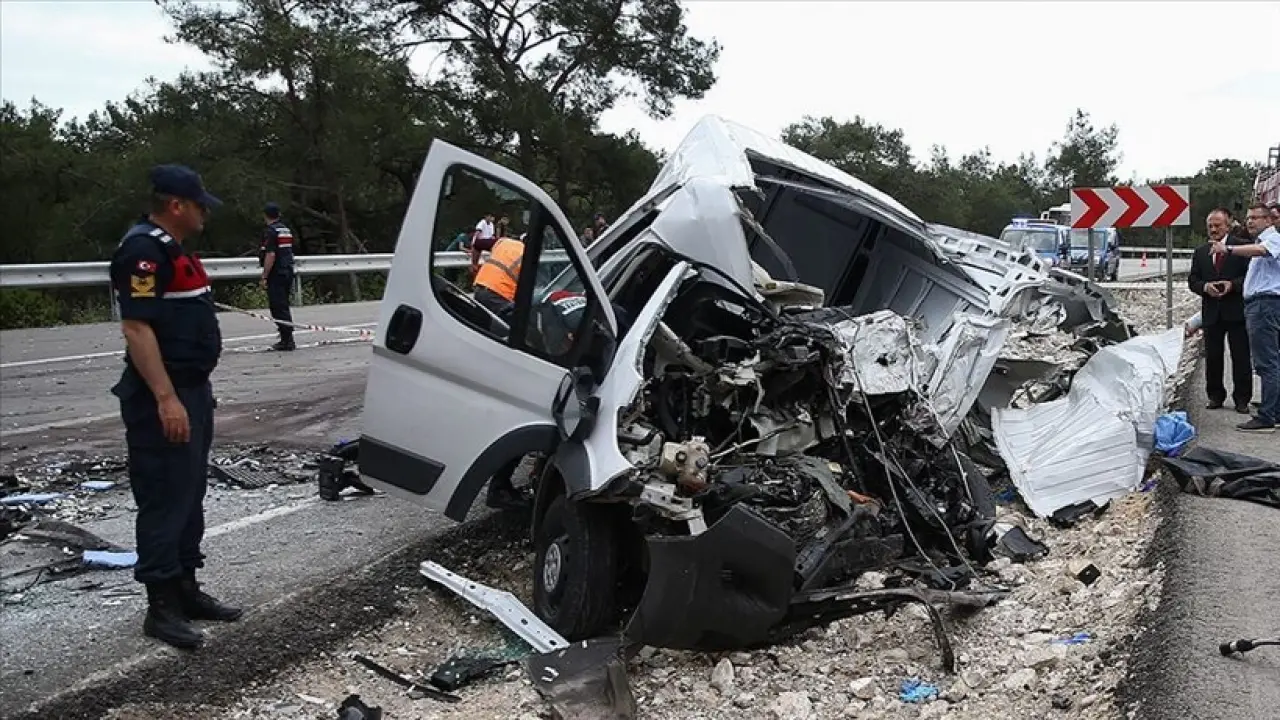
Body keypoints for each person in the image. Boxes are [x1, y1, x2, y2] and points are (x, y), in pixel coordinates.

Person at [109, 165, 242, 650]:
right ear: (176, 206)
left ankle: (186, 588)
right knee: (165, 496)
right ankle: (160, 605)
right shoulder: (143, 251)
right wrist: (166, 398)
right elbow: (137, 329)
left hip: (190, 389)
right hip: (160, 396)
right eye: (199, 203)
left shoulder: (170, 250)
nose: (205, 211)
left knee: (189, 493)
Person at [1210, 203, 1280, 432]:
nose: (1250, 222)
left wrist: (1228, 249)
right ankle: (1273, 407)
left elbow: (1261, 252)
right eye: (1248, 218)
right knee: (1269, 362)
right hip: (1261, 305)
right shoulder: (1262, 241)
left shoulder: (1272, 240)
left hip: (1264, 305)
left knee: (1266, 363)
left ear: (1268, 221)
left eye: (1255, 218)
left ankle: (1268, 416)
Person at [1189, 208, 1251, 413]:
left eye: (1217, 225)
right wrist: (1205, 287)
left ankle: (1242, 399)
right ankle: (1215, 396)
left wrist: (1232, 285)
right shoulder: (1200, 252)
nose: (1213, 230)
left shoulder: (1242, 248)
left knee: (1240, 356)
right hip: (1212, 312)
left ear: (1228, 225)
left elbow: (1251, 277)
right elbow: (1193, 280)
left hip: (1236, 311)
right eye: (1210, 226)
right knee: (1213, 357)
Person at [259, 202, 296, 351]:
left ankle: (287, 339)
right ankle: (287, 336)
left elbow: (271, 254)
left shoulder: (271, 231)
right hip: (288, 270)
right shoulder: (285, 230)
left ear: (265, 215)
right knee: (283, 305)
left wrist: (264, 275)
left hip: (277, 273)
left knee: (278, 306)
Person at [472, 235, 524, 320]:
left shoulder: (503, 242)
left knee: (482, 324)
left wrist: (474, 265)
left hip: (479, 288)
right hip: (499, 296)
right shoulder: (528, 255)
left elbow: (477, 243)